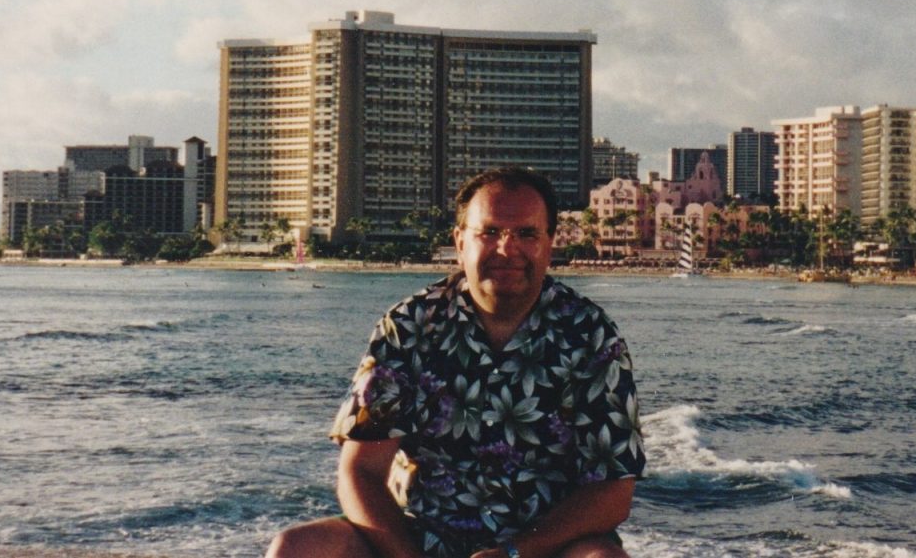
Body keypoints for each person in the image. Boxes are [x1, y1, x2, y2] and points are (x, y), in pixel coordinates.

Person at [267, 167, 645, 558]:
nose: (507, 249)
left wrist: (514, 552)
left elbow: (613, 491)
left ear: (550, 243)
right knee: (297, 548)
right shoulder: (409, 327)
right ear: (460, 241)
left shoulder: (591, 335)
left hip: (540, 546)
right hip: (414, 535)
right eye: (491, 232)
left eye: (527, 234)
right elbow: (360, 471)